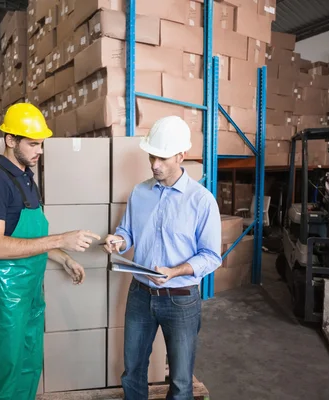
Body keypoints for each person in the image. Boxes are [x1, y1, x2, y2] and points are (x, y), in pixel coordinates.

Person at [0, 103, 101, 400]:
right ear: (10, 140)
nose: (39, 151)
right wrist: (60, 239)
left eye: (41, 144)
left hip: (29, 292)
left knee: (29, 365)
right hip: (5, 295)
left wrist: (63, 257)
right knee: (4, 374)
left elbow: (32, 238)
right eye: (33, 144)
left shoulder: (27, 178)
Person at [102, 116, 222, 400]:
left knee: (180, 381)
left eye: (163, 157)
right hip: (140, 295)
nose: (155, 164)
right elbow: (127, 231)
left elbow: (211, 255)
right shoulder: (140, 192)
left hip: (180, 299)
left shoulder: (201, 200)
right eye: (151, 156)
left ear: (181, 156)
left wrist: (176, 270)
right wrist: (118, 241)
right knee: (132, 371)